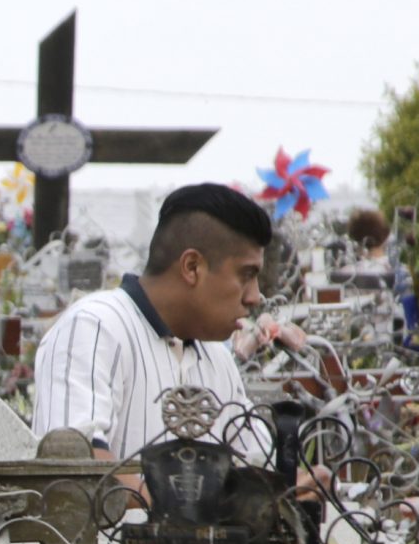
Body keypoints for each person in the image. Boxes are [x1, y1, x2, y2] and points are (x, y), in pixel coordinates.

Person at [30, 182, 279, 466]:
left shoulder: (217, 359)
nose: (255, 296)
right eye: (246, 274)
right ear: (192, 267)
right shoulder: (96, 326)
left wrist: (296, 485)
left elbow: (258, 466)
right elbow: (77, 468)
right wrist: (190, 503)